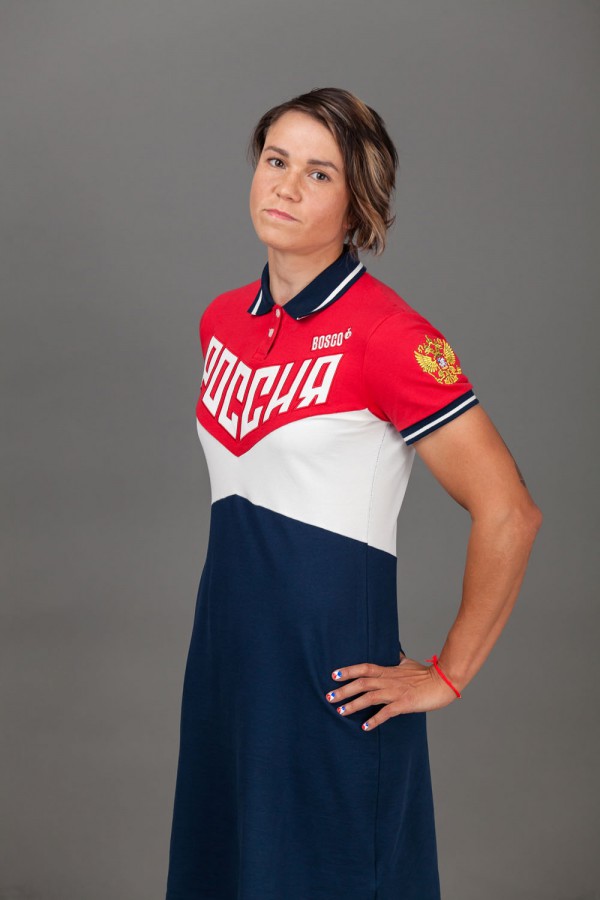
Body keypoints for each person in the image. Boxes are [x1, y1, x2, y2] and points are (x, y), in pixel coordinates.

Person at [164, 87, 542, 900]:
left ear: (358, 203)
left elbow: (510, 511)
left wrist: (447, 674)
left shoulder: (389, 336)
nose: (285, 186)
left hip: (331, 686)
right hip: (226, 675)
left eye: (319, 173)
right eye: (276, 160)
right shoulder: (221, 321)